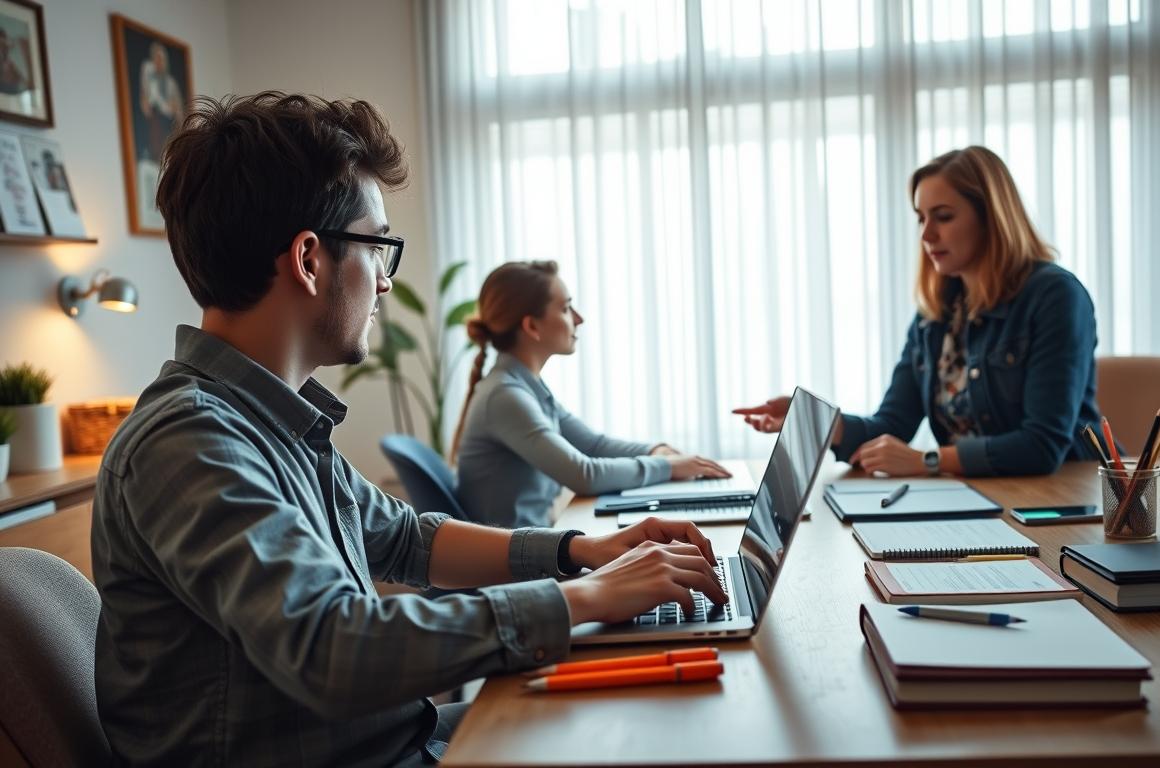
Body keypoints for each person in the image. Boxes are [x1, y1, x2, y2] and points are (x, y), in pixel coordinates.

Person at [92, 91, 727, 768]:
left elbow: (403, 539)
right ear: (310, 260)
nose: (386, 284)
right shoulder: (189, 440)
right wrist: (587, 597)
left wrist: (584, 550)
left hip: (391, 739)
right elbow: (330, 648)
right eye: (377, 248)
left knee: (637, 712)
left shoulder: (269, 418)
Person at [735, 145, 1103, 477]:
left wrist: (928, 461)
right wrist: (817, 423)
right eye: (921, 218)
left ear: (991, 217)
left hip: (1061, 500)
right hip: (978, 496)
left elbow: (1041, 446)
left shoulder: (1055, 296)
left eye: (942, 216)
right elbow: (893, 424)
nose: (926, 235)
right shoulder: (937, 311)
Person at [453, 261, 731, 528]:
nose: (579, 319)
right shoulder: (505, 396)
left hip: (531, 546)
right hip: (515, 565)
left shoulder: (523, 387)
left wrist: (654, 450)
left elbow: (593, 445)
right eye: (565, 308)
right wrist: (666, 467)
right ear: (532, 327)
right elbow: (584, 475)